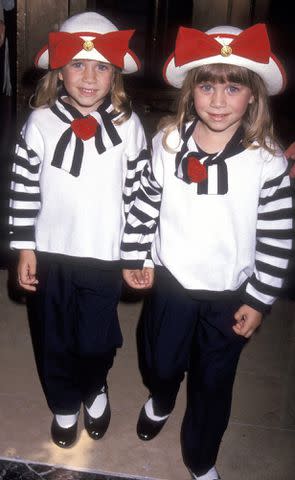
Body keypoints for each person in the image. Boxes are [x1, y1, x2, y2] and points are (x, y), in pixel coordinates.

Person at [121, 24, 293, 480]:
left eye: (232, 87)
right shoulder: (168, 143)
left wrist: (258, 299)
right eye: (207, 85)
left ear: (253, 96)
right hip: (172, 280)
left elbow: (277, 238)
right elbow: (145, 202)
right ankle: (160, 398)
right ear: (190, 91)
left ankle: (201, 457)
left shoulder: (267, 161)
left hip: (230, 291)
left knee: (214, 383)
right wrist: (136, 253)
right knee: (160, 359)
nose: (218, 100)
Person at [8, 11, 149, 448]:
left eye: (101, 66)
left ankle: (95, 385)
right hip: (51, 252)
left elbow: (141, 193)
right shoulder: (40, 122)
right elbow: (23, 189)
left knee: (93, 338)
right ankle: (65, 402)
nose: (89, 77)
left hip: (105, 254)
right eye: (78, 65)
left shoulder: (129, 127)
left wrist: (136, 251)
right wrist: (24, 246)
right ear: (60, 70)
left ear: (115, 74)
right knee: (52, 335)